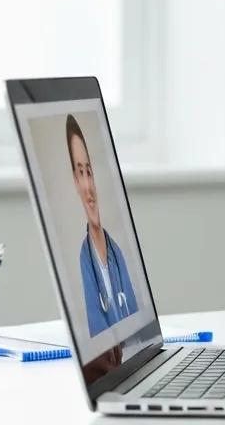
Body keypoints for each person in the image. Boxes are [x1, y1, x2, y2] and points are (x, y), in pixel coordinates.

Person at [69, 114, 139, 336]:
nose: (88, 184)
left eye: (89, 171)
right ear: (75, 183)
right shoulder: (83, 257)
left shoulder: (116, 252)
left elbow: (137, 327)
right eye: (81, 173)